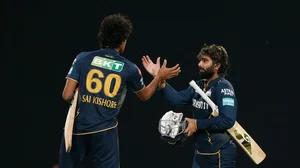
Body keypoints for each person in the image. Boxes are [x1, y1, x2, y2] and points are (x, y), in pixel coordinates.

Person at [59, 13, 181, 168]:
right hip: (105, 132)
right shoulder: (129, 68)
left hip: (77, 129)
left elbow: (67, 95)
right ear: (123, 41)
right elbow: (144, 96)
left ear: (102, 36)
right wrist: (158, 77)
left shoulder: (83, 58)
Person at [141, 44, 237, 168]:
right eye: (200, 60)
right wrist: (159, 78)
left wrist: (196, 124)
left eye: (205, 61)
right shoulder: (199, 86)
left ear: (217, 65)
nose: (200, 64)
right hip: (200, 153)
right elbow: (176, 100)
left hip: (219, 154)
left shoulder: (223, 87)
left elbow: (228, 120)